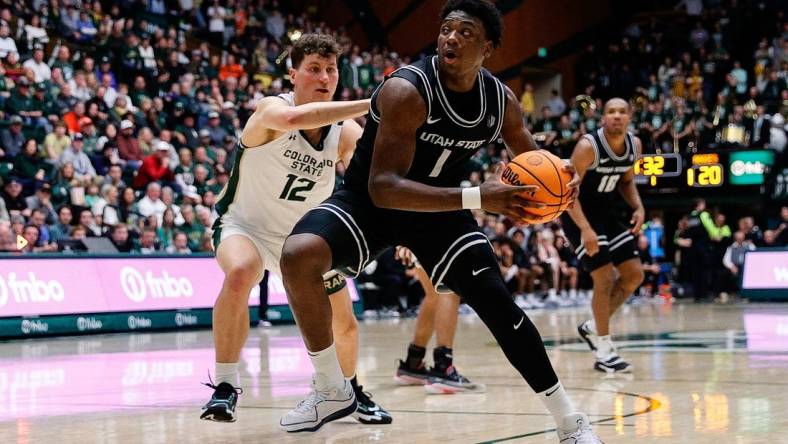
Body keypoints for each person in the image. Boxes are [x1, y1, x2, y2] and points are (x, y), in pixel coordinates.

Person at [279, 2, 601, 441]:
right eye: (446, 29)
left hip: (440, 212)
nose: (450, 37)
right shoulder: (406, 90)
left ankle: (570, 421)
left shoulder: (500, 101)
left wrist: (563, 189)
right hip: (370, 202)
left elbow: (534, 167)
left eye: (465, 33)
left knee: (497, 303)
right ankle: (332, 388)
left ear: (487, 48)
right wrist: (478, 197)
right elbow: (383, 187)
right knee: (299, 254)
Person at [200, 34, 391, 426]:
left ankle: (350, 389)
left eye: (331, 70)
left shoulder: (346, 130)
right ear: (293, 75)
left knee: (345, 321)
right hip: (246, 225)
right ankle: (224, 385)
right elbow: (293, 121)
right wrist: (373, 104)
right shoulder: (271, 108)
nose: (324, 77)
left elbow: (367, 175)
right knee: (240, 273)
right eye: (314, 69)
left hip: (304, 241)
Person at [563, 97, 645, 374]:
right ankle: (604, 351)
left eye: (623, 112)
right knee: (605, 278)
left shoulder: (635, 145)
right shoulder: (588, 147)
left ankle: (592, 327)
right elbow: (569, 192)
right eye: (612, 112)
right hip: (578, 214)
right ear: (603, 118)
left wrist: (638, 207)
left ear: (630, 117)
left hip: (607, 214)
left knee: (634, 276)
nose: (617, 116)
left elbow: (627, 180)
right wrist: (585, 229)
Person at [393, 246, 479, 393]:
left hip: (416, 232)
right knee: (449, 289)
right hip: (435, 230)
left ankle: (413, 362)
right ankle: (444, 368)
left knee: (434, 294)